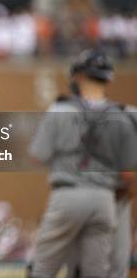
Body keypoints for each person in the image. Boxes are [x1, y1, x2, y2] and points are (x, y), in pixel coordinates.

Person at [28, 49, 137, 277]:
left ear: (78, 76)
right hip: (106, 200)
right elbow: (129, 175)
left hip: (68, 195)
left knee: (43, 269)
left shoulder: (60, 109)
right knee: (96, 272)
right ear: (107, 77)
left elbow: (37, 156)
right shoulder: (125, 115)